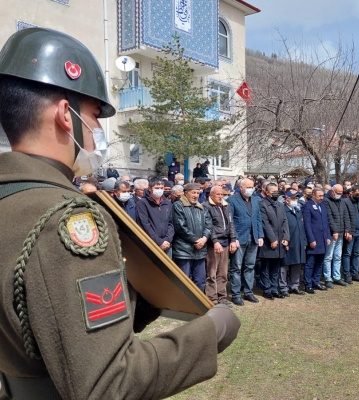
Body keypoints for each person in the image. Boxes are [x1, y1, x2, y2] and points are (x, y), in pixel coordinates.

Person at [0, 27, 239, 399]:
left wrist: (142, 301)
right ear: (66, 114)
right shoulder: (68, 220)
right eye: (95, 117)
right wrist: (210, 334)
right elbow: (110, 383)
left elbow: (42, 318)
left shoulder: (10, 201)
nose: (97, 131)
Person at [227, 178, 264, 306]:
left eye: (252, 187)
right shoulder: (232, 200)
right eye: (248, 187)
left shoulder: (255, 199)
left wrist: (260, 235)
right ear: (240, 187)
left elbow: (258, 218)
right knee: (236, 267)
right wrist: (233, 238)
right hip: (239, 238)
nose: (251, 189)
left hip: (253, 238)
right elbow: (230, 221)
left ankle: (248, 292)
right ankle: (236, 294)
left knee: (250, 266)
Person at [172, 183, 211, 292]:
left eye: (198, 193)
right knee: (184, 281)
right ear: (185, 193)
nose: (196, 195)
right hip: (184, 250)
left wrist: (204, 239)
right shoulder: (178, 205)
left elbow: (209, 225)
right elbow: (180, 226)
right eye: (193, 192)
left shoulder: (201, 207)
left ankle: (198, 306)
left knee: (200, 280)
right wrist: (195, 240)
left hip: (200, 250)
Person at [203, 185, 238, 305]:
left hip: (225, 243)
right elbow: (208, 226)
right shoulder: (205, 206)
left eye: (222, 194)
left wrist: (233, 239)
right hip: (213, 244)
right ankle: (212, 299)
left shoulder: (226, 206)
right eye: (218, 194)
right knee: (211, 273)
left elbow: (231, 223)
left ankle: (222, 298)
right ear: (211, 195)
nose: (220, 196)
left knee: (223, 273)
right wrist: (215, 241)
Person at [258, 183, 290, 300]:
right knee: (266, 267)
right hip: (268, 241)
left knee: (275, 267)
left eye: (277, 191)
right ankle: (267, 289)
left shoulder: (280, 205)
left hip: (280, 240)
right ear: (267, 193)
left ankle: (274, 288)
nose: (276, 193)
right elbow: (265, 223)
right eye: (273, 192)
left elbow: (285, 222)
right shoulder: (262, 205)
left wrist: (286, 237)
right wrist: (272, 239)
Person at [136, 177, 174, 257]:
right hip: (151, 244)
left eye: (161, 188)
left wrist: (167, 240)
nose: (159, 190)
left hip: (167, 244)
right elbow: (145, 225)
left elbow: (171, 223)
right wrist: (159, 241)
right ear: (149, 188)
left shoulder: (167, 203)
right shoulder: (143, 203)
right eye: (157, 188)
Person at [302, 188, 331, 293]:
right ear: (313, 195)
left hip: (322, 239)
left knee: (319, 263)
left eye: (322, 195)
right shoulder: (307, 206)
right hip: (314, 239)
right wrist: (311, 239)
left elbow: (326, 223)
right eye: (319, 196)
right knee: (310, 263)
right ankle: (308, 284)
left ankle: (316, 282)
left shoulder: (322, 206)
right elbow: (307, 224)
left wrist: (327, 236)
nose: (321, 197)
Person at [322, 184, 350, 287]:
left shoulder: (342, 201)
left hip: (341, 233)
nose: (339, 195)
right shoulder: (326, 201)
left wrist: (347, 229)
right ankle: (328, 278)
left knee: (338, 256)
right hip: (331, 233)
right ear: (332, 191)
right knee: (328, 256)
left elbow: (346, 216)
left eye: (341, 193)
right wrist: (334, 231)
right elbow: (329, 217)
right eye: (338, 193)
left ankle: (337, 277)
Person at [280, 190, 307, 296]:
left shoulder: (298, 210)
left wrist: (304, 241)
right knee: (284, 266)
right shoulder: (283, 210)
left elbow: (302, 227)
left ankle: (294, 286)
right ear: (287, 200)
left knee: (297, 264)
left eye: (296, 198)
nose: (295, 200)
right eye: (293, 198)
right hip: (288, 241)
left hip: (299, 241)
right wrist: (285, 240)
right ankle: (283, 287)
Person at [342, 186, 359, 283]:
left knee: (357, 253)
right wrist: (347, 231)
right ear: (351, 192)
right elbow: (345, 218)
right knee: (347, 253)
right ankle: (347, 274)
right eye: (357, 193)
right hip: (351, 232)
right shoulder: (345, 202)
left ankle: (355, 273)